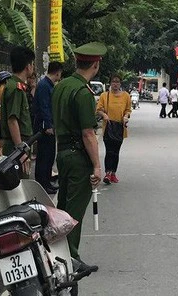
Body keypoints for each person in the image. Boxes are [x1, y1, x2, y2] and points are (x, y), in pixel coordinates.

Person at [52, 41, 104, 273]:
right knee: (74, 211)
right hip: (77, 156)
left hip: (61, 152)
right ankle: (70, 257)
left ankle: (59, 254)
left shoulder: (61, 85)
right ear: (95, 64)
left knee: (63, 206)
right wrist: (96, 166)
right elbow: (88, 133)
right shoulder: (83, 92)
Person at [33, 61, 63, 194]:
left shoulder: (48, 85)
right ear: (58, 72)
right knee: (44, 156)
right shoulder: (45, 86)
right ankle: (42, 184)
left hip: (49, 125)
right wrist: (49, 125)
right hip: (45, 127)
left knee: (50, 155)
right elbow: (44, 107)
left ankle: (47, 182)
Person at [96, 74, 131, 184]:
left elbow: (128, 110)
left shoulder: (126, 96)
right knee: (109, 151)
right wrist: (104, 115)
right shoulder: (104, 96)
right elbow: (99, 109)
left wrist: (126, 117)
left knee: (116, 152)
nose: (115, 84)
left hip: (120, 128)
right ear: (110, 83)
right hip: (108, 127)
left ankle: (113, 173)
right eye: (113, 82)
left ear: (120, 83)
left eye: (117, 82)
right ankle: (107, 173)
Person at [0, 46, 35, 156]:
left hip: (18, 142)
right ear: (28, 66)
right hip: (15, 145)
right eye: (32, 64)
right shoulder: (16, 88)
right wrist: (20, 150)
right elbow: (12, 120)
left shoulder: (14, 85)